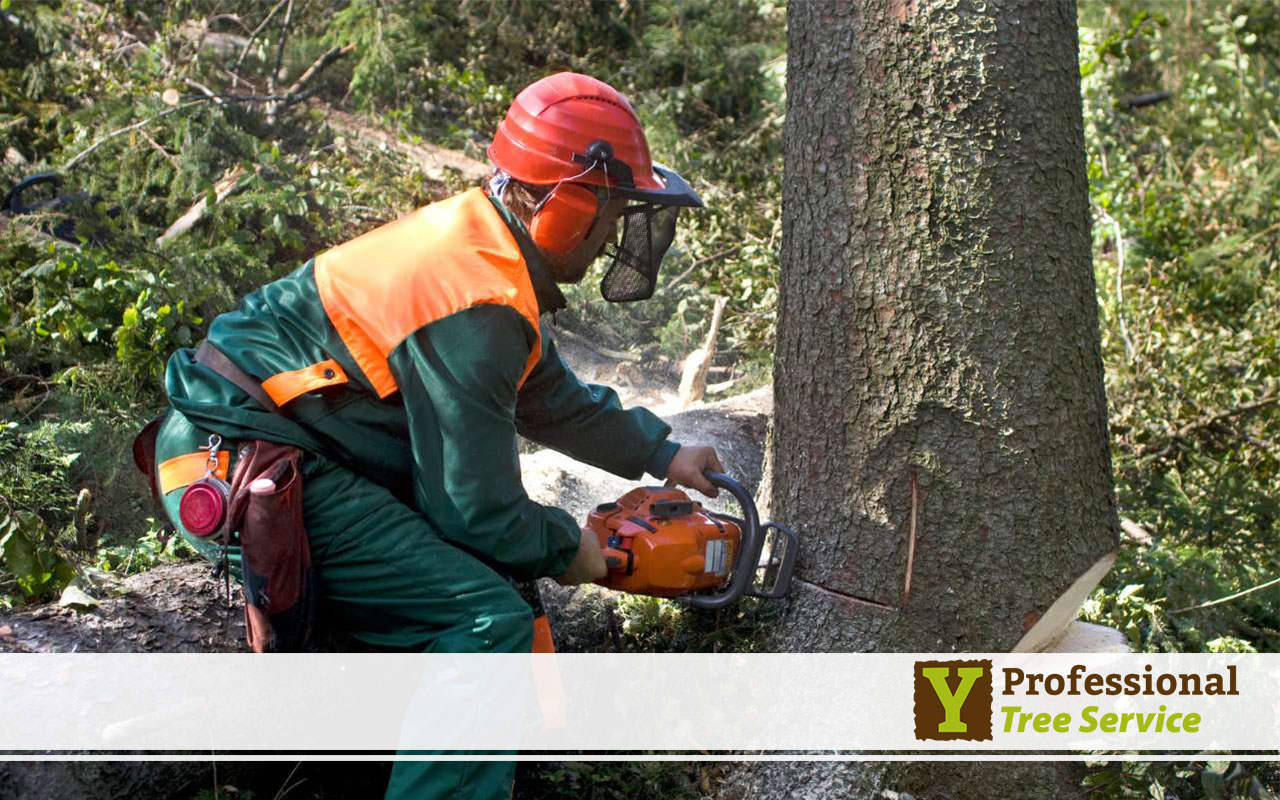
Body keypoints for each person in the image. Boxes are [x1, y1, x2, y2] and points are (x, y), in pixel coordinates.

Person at [147, 71, 723, 798]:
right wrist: (574, 550)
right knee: (484, 622)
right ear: (565, 205)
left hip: (284, 442)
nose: (612, 237)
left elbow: (551, 399)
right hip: (247, 462)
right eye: (610, 214)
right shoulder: (476, 301)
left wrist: (664, 454)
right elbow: (476, 511)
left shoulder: (482, 255)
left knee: (477, 586)